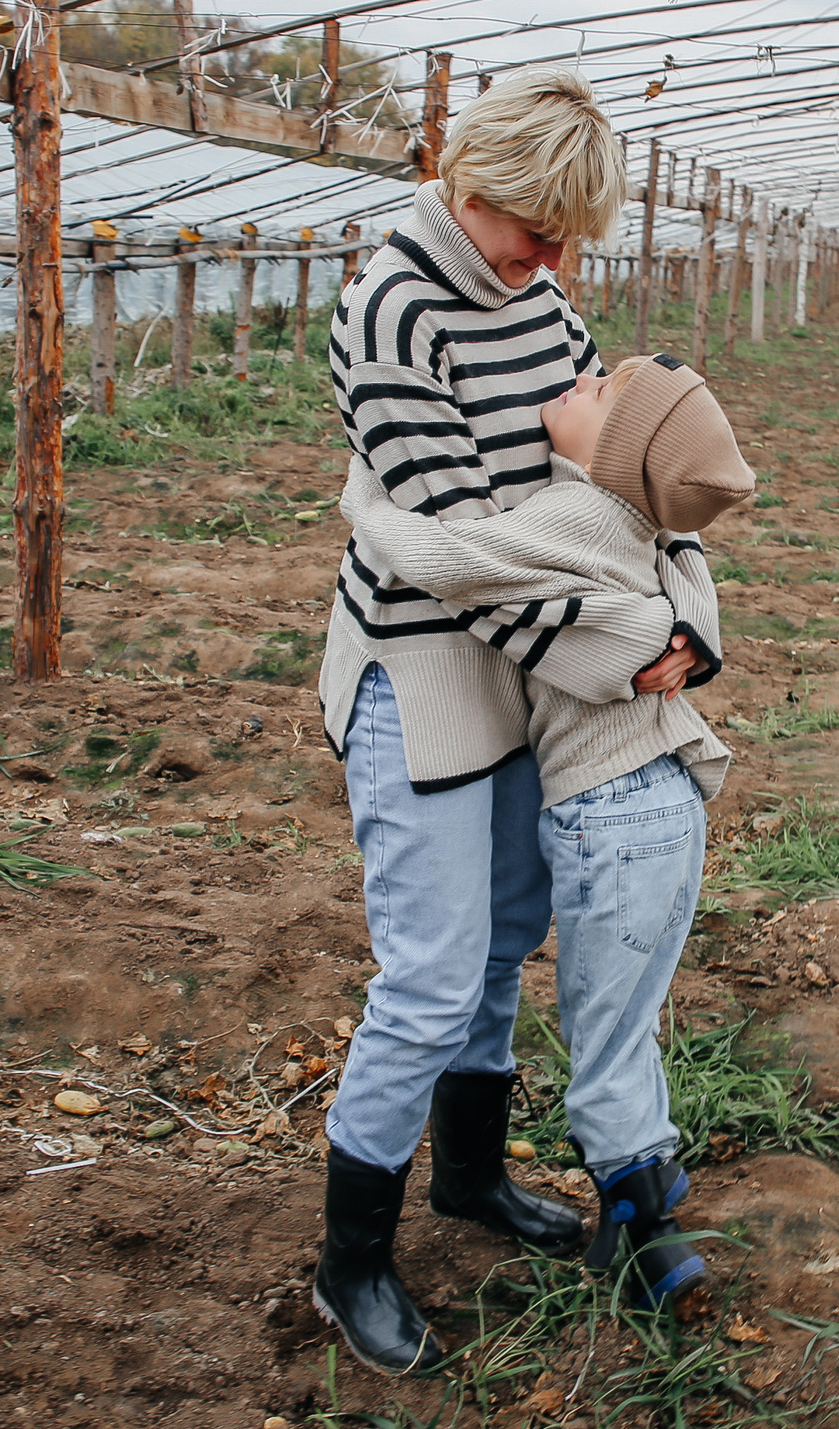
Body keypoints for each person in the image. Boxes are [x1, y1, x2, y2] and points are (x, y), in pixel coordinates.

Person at [311, 68, 716, 1376]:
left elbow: (610, 475)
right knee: (430, 973)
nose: (553, 264)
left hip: (526, 669)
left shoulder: (538, 296)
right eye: (537, 232)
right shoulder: (390, 311)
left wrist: (671, 626)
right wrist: (622, 652)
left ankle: (470, 1175)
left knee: (501, 936)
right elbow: (463, 557)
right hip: (424, 673)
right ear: (470, 183)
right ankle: (350, 1262)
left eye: (568, 242)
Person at [340, 353, 755, 1316]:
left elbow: (452, 562)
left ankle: (647, 1235)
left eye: (600, 393)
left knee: (602, 1037)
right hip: (668, 800)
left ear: (617, 455)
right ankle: (632, 1216)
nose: (581, 380)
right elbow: (685, 548)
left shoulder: (573, 518)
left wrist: (366, 499)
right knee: (628, 1018)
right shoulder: (645, 522)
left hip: (612, 815)